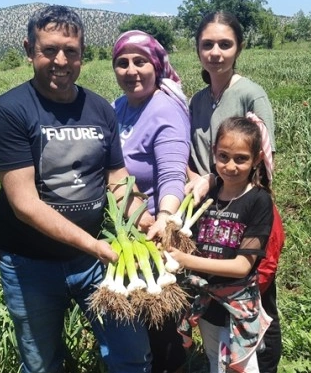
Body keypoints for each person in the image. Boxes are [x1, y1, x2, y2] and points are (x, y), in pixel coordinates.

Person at [0, 5, 153, 373]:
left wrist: (142, 218)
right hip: (30, 263)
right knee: (43, 364)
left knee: (132, 353)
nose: (61, 60)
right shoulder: (8, 111)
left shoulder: (99, 109)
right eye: (49, 50)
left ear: (82, 54)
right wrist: (94, 246)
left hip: (95, 260)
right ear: (29, 50)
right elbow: (25, 204)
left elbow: (117, 179)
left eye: (71, 51)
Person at [185, 11, 285, 373]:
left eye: (225, 44)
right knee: (214, 289)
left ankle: (263, 361)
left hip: (245, 210)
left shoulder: (250, 94)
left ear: (238, 48)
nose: (215, 52)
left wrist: (210, 180)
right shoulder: (196, 100)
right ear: (197, 50)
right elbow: (191, 154)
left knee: (255, 290)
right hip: (207, 213)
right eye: (207, 44)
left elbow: (260, 163)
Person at [110, 29, 191, 373]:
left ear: (156, 65)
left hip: (153, 232)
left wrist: (165, 217)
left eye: (140, 61)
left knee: (161, 328)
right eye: (122, 63)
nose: (131, 71)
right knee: (138, 325)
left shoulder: (164, 109)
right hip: (125, 229)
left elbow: (173, 172)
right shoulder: (117, 107)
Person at [170, 116, 274, 373]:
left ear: (257, 159)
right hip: (207, 302)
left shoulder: (258, 201)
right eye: (223, 156)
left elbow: (241, 267)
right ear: (214, 153)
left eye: (241, 158)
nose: (230, 165)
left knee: (242, 367)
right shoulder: (208, 196)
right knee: (215, 360)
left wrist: (185, 261)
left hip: (238, 305)